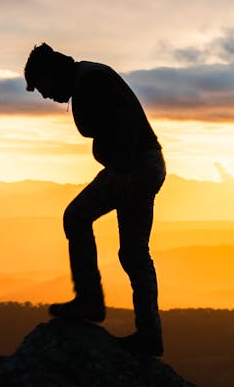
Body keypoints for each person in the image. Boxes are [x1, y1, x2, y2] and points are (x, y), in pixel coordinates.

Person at [24, 42, 167, 356]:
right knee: (133, 254)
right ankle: (149, 335)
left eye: (42, 86)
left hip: (134, 167)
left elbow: (126, 118)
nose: (45, 95)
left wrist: (121, 168)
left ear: (52, 72)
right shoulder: (86, 78)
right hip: (143, 165)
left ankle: (90, 302)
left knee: (76, 217)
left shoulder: (90, 79)